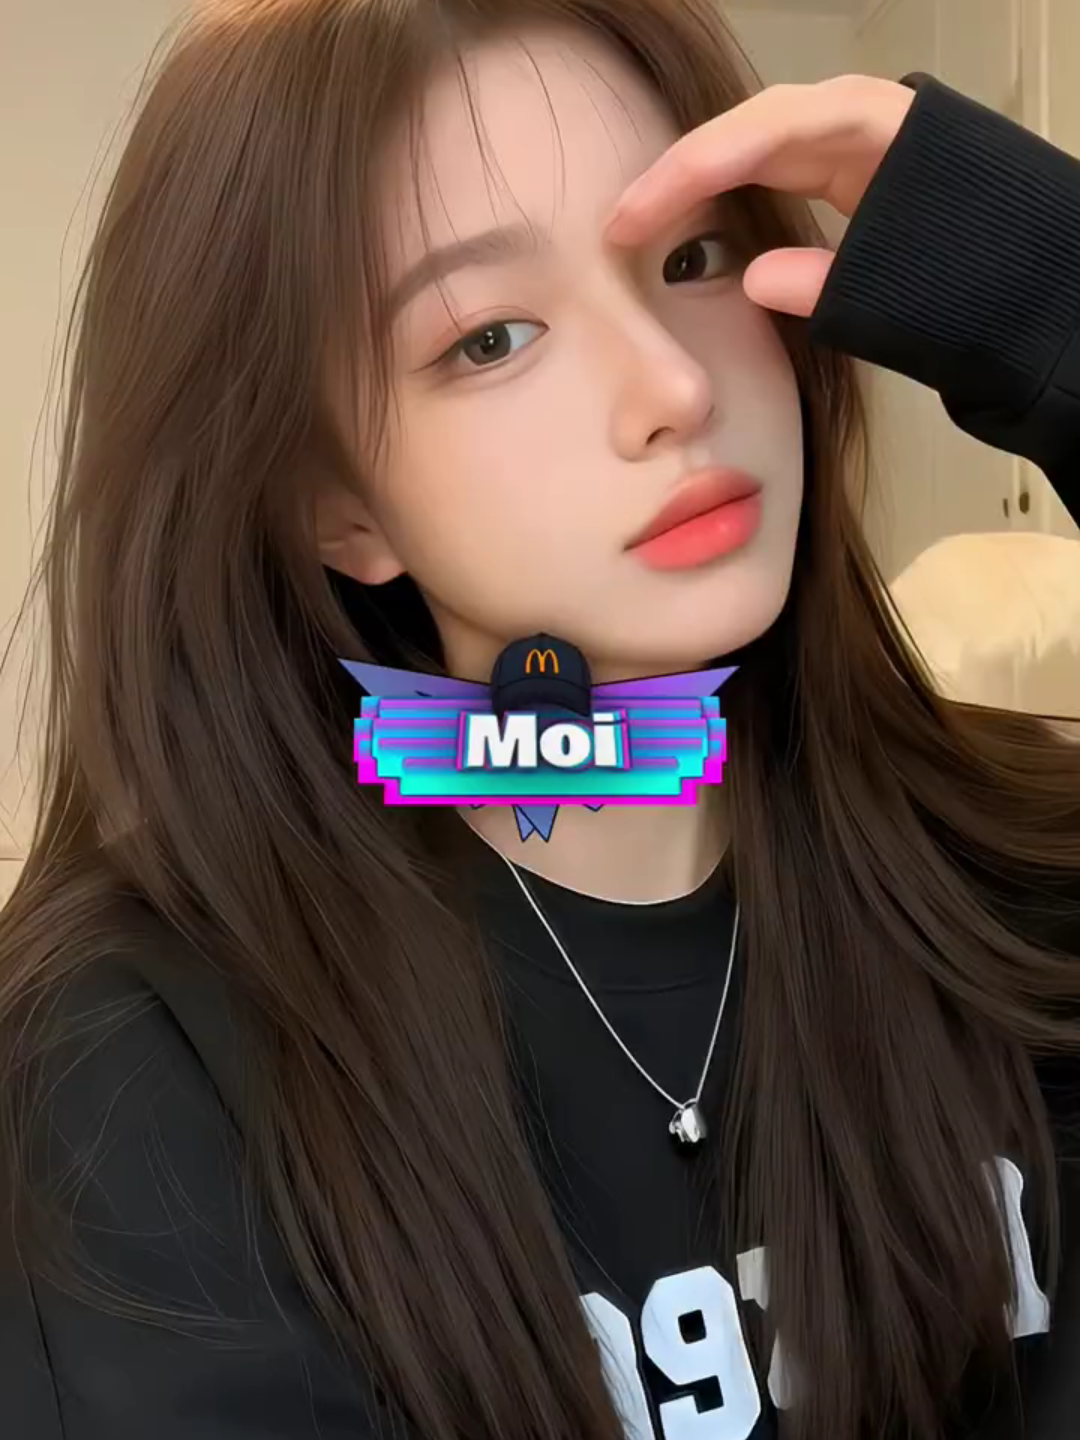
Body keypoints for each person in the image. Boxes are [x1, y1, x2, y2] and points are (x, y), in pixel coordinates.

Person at [0, 1, 1078, 1437]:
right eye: (492, 337)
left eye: (690, 259)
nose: (673, 388)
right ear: (336, 507)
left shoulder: (1024, 870)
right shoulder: (138, 1056)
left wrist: (1049, 286)